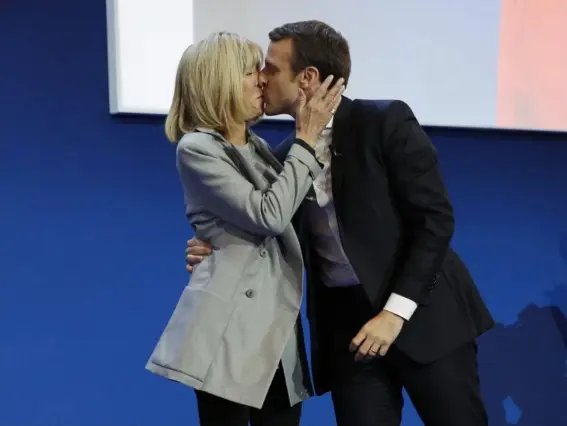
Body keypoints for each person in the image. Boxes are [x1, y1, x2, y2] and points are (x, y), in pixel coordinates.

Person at [185, 21, 496, 426]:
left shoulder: (384, 122)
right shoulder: (282, 158)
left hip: (422, 316)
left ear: (308, 78)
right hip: (347, 333)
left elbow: (435, 222)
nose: (262, 77)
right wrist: (216, 245)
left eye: (272, 68)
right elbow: (265, 222)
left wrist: (393, 314)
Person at [145, 31, 344, 426]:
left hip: (276, 331)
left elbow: (283, 223)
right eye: (250, 71)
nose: (262, 80)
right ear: (217, 81)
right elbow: (269, 214)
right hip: (230, 331)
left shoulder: (260, 149)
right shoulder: (199, 148)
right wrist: (306, 137)